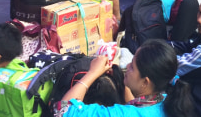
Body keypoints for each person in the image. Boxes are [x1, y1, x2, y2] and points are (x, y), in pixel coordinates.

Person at [56, 40, 193, 117]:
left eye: (132, 67)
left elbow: (63, 111)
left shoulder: (123, 114)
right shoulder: (167, 101)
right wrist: (124, 81)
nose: (127, 66)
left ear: (145, 82)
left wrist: (92, 73)